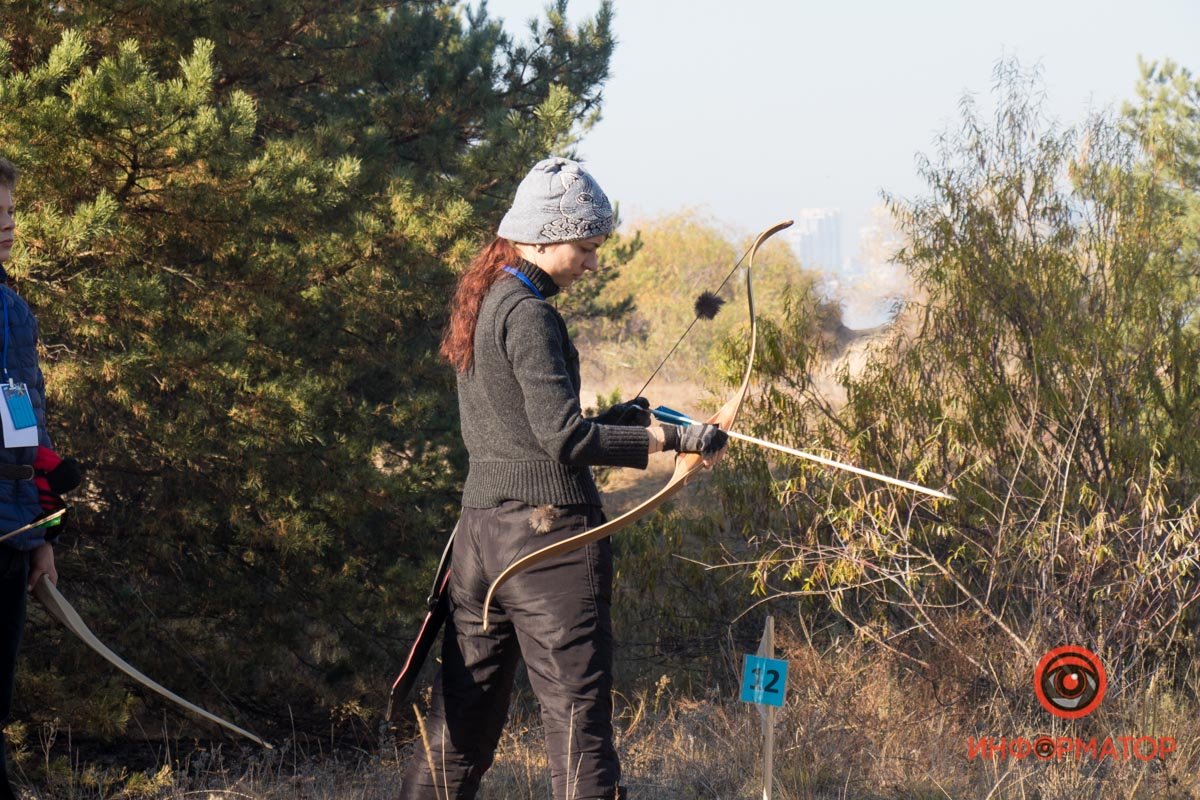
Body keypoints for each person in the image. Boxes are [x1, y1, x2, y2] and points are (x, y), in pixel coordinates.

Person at [399, 157, 727, 799]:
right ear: (545, 235)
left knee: (457, 730)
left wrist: (624, 423)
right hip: (548, 550)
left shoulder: (491, 299)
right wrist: (671, 437)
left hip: (478, 547)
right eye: (586, 246)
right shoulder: (529, 314)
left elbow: (529, 433)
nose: (593, 262)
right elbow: (564, 440)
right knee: (578, 732)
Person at [0, 157, 80, 800]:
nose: (6, 226)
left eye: (9, 212)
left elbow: (24, 418)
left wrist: (40, 532)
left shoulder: (12, 310)